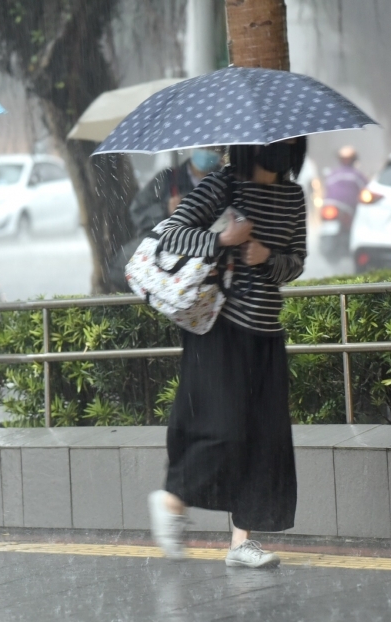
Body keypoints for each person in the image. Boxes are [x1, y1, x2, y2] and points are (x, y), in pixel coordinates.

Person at [147, 139, 307, 569]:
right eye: (275, 142)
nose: (282, 149)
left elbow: (297, 261)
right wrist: (224, 239)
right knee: (222, 429)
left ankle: (241, 543)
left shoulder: (293, 195)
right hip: (218, 330)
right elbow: (171, 234)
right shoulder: (224, 184)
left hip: (266, 333)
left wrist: (268, 257)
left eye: (289, 142)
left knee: (262, 439)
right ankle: (172, 500)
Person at [111, 148, 224, 292]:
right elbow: (138, 212)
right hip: (169, 261)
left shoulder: (224, 179)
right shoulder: (168, 179)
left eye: (215, 149)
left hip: (208, 259)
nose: (208, 152)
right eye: (206, 148)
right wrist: (166, 209)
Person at [323, 145, 367, 218]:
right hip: (341, 207)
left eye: (348, 159)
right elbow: (366, 186)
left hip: (334, 206)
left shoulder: (332, 173)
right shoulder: (356, 174)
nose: (346, 160)